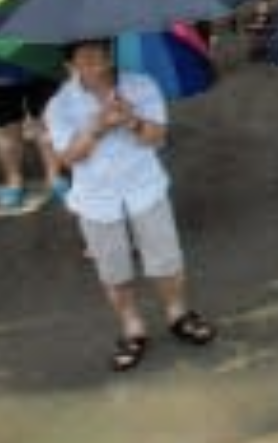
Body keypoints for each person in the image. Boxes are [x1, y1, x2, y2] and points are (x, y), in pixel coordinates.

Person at [48, 38, 216, 371]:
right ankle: (132, 328)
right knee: (113, 270)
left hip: (144, 185)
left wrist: (131, 121)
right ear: (70, 66)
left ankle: (178, 314)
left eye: (101, 56)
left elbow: (157, 137)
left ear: (110, 56)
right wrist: (96, 129)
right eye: (86, 59)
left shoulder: (140, 85)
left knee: (166, 259)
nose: (97, 65)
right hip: (96, 197)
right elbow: (67, 157)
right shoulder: (59, 105)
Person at [0, 0, 63, 214]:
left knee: (46, 125)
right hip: (2, 75)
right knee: (7, 132)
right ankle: (13, 180)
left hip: (41, 67)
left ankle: (54, 175)